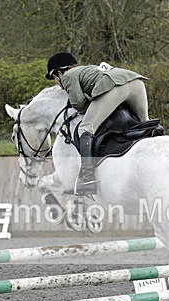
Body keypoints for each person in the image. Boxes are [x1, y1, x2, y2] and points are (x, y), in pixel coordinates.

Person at [46, 51, 149, 196]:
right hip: (136, 82)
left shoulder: (68, 76)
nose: (57, 83)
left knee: (85, 129)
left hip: (114, 86)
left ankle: (87, 179)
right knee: (144, 123)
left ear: (59, 73)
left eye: (54, 78)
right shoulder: (89, 69)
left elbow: (79, 104)